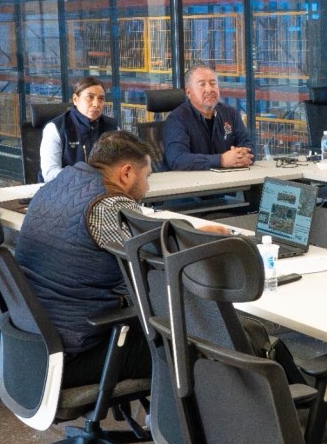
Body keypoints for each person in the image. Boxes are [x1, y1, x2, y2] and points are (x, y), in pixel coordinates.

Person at [15, 131, 229, 387]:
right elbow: (155, 258)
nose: (147, 188)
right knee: (206, 351)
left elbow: (140, 238)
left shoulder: (60, 184)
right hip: (79, 351)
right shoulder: (107, 205)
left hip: (37, 342)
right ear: (126, 173)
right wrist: (196, 238)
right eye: (146, 177)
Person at [163, 62, 253, 171]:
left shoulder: (231, 113)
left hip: (229, 178)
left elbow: (249, 147)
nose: (209, 89)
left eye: (213, 83)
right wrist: (221, 160)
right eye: (202, 84)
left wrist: (241, 156)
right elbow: (177, 159)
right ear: (188, 92)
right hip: (194, 181)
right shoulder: (177, 119)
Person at [39, 76, 118, 183]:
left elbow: (125, 163)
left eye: (101, 98)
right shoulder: (55, 129)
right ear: (75, 99)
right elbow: (50, 173)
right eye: (90, 97)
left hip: (103, 187)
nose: (96, 104)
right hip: (65, 189)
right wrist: (84, 177)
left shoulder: (112, 128)